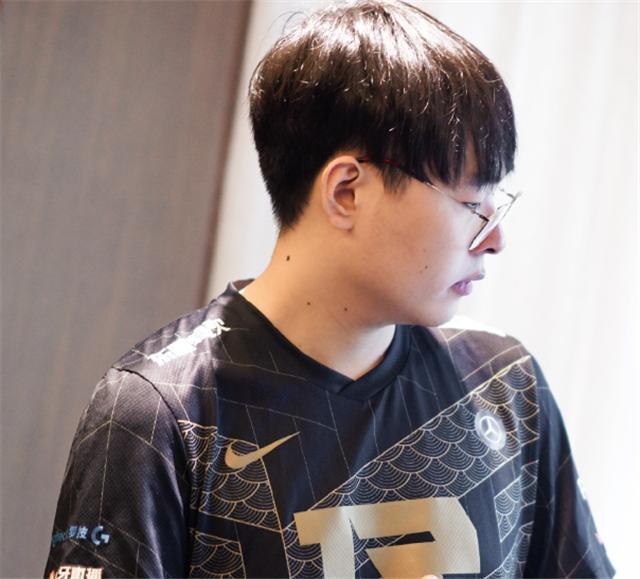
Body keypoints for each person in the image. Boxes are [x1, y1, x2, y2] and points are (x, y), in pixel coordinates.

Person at [45, 1, 615, 577]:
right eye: (472, 204)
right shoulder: (160, 413)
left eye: (498, 203)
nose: (495, 240)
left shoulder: (504, 384)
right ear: (346, 192)